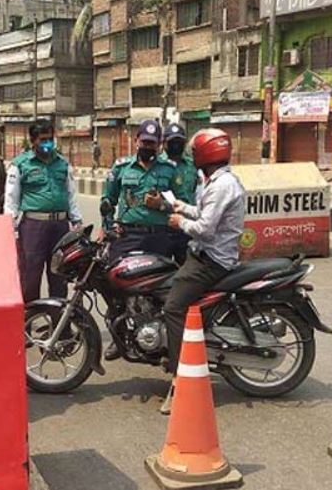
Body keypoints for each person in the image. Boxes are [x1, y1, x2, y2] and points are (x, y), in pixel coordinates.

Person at [147, 128, 246, 414]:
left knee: (173, 307)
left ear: (205, 154)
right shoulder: (217, 181)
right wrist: (177, 206)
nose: (192, 155)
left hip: (211, 259)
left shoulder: (221, 185)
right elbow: (204, 213)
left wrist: (179, 222)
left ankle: (180, 378)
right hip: (205, 255)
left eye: (195, 151)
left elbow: (204, 229)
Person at [4, 118, 82, 303]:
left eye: (50, 139)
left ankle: (58, 318)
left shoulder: (62, 164)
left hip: (60, 226)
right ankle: (31, 317)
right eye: (43, 140)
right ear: (33, 141)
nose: (47, 144)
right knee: (31, 275)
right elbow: (11, 200)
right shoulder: (20, 165)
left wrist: (77, 221)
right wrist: (11, 229)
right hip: (33, 226)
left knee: (59, 275)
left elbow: (71, 194)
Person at [101, 119, 179, 261]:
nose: (147, 146)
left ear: (159, 144)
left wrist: (161, 205)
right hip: (128, 235)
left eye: (152, 143)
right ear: (136, 141)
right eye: (144, 142)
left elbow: (182, 205)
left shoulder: (170, 169)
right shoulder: (121, 168)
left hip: (159, 237)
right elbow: (107, 201)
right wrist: (108, 227)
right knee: (116, 272)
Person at [163, 123, 198, 265]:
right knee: (163, 268)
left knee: (187, 267)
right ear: (164, 143)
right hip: (163, 227)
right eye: (172, 142)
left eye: (179, 142)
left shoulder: (193, 165)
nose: (176, 145)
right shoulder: (156, 165)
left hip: (187, 226)